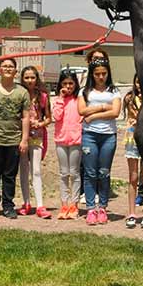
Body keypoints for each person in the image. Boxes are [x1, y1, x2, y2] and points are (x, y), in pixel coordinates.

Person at [0, 58, 31, 219]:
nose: (8, 69)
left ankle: (8, 205)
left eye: (11, 67)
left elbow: (25, 117)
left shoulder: (22, 92)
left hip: (14, 140)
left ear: (15, 71)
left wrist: (24, 139)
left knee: (10, 175)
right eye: (5, 66)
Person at [78, 58, 121, 225]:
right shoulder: (85, 91)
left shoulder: (114, 90)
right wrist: (104, 107)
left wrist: (94, 114)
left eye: (104, 73)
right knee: (90, 173)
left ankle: (102, 207)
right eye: (97, 74)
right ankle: (90, 208)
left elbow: (116, 112)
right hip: (89, 135)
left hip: (108, 135)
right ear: (92, 75)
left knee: (104, 172)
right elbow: (81, 110)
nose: (101, 77)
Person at [17, 66, 52, 219]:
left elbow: (49, 118)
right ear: (22, 79)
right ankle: (26, 202)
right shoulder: (18, 95)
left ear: (37, 78)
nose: (30, 81)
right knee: (23, 170)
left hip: (37, 136)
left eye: (32, 77)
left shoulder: (42, 97)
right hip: (22, 137)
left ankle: (40, 204)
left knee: (36, 170)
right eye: (27, 78)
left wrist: (40, 124)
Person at [123, 75, 143, 229]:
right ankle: (131, 213)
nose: (139, 85)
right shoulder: (130, 98)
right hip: (132, 138)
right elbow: (132, 116)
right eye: (137, 82)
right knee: (133, 177)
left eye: (142, 82)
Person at [53, 69, 82, 220]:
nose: (68, 86)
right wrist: (60, 98)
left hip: (76, 140)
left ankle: (74, 204)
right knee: (64, 173)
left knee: (75, 173)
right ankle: (64, 204)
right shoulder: (58, 100)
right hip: (61, 140)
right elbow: (56, 116)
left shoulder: (79, 99)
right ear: (60, 85)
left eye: (71, 83)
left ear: (75, 84)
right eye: (65, 83)